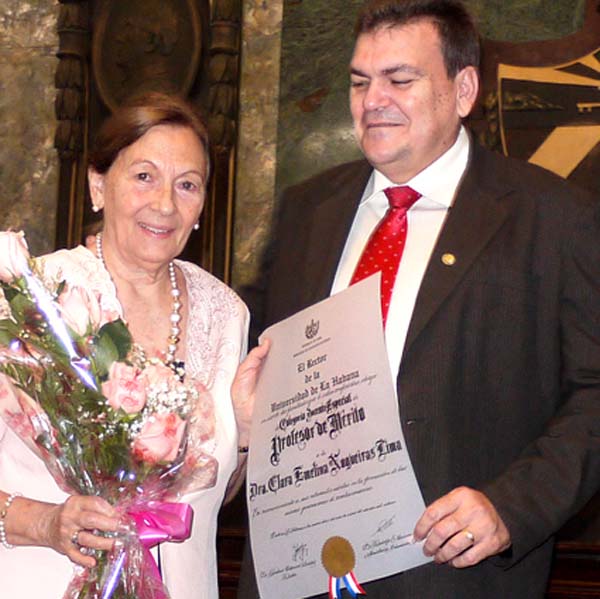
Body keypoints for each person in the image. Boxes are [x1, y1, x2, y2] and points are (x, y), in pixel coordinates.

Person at [238, 1, 600, 597]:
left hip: (452, 575)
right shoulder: (306, 210)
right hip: (298, 570)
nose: (372, 100)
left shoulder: (555, 218)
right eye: (360, 81)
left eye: (399, 79)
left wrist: (512, 507)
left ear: (464, 90)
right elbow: (246, 347)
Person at [0, 92, 267, 599]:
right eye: (144, 176)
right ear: (98, 185)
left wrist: (246, 434)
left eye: (187, 184)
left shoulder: (226, 313)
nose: (165, 204)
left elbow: (210, 496)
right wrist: (45, 522)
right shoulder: (32, 298)